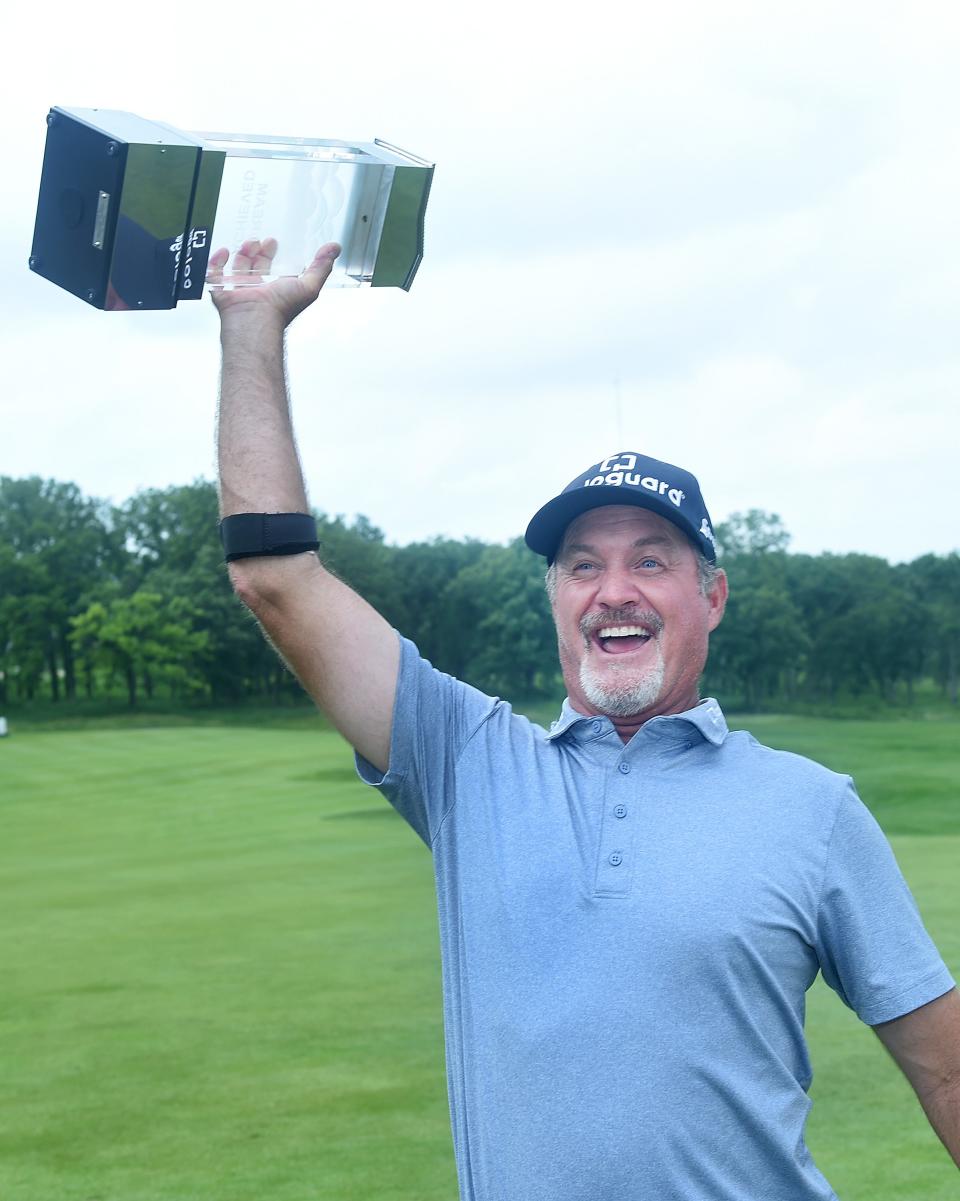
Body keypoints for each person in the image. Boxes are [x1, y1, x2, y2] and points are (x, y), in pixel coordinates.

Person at [212, 240, 960, 1200]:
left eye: (651, 560)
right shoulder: (464, 760)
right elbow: (275, 578)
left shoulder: (813, 812)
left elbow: (945, 1065)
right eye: (581, 563)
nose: (615, 591)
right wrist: (251, 328)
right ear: (556, 597)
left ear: (713, 593)